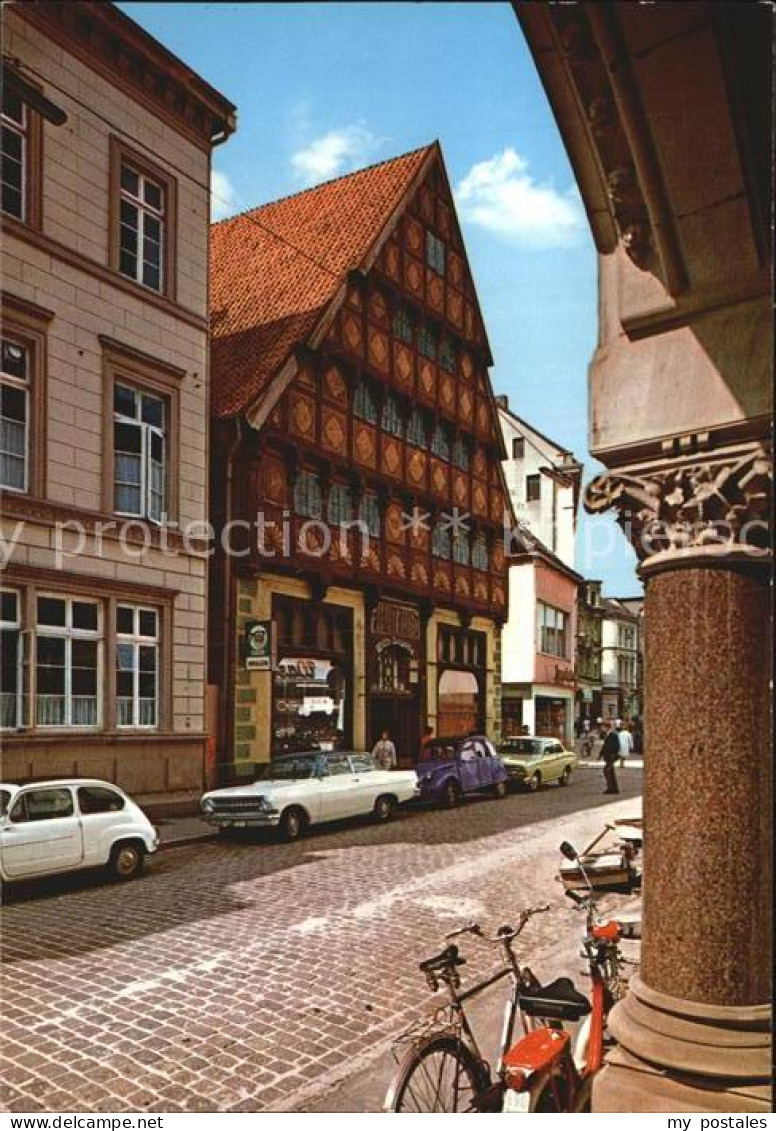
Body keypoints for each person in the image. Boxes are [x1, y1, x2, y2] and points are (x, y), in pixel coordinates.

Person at [599, 722, 620, 794]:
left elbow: (616, 746)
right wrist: (600, 755)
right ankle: (614, 788)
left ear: (607, 727)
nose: (602, 729)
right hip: (608, 756)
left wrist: (613, 754)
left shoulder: (613, 735)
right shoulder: (607, 735)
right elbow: (604, 746)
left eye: (603, 727)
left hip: (611, 756)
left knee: (607, 771)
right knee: (610, 771)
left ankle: (611, 788)